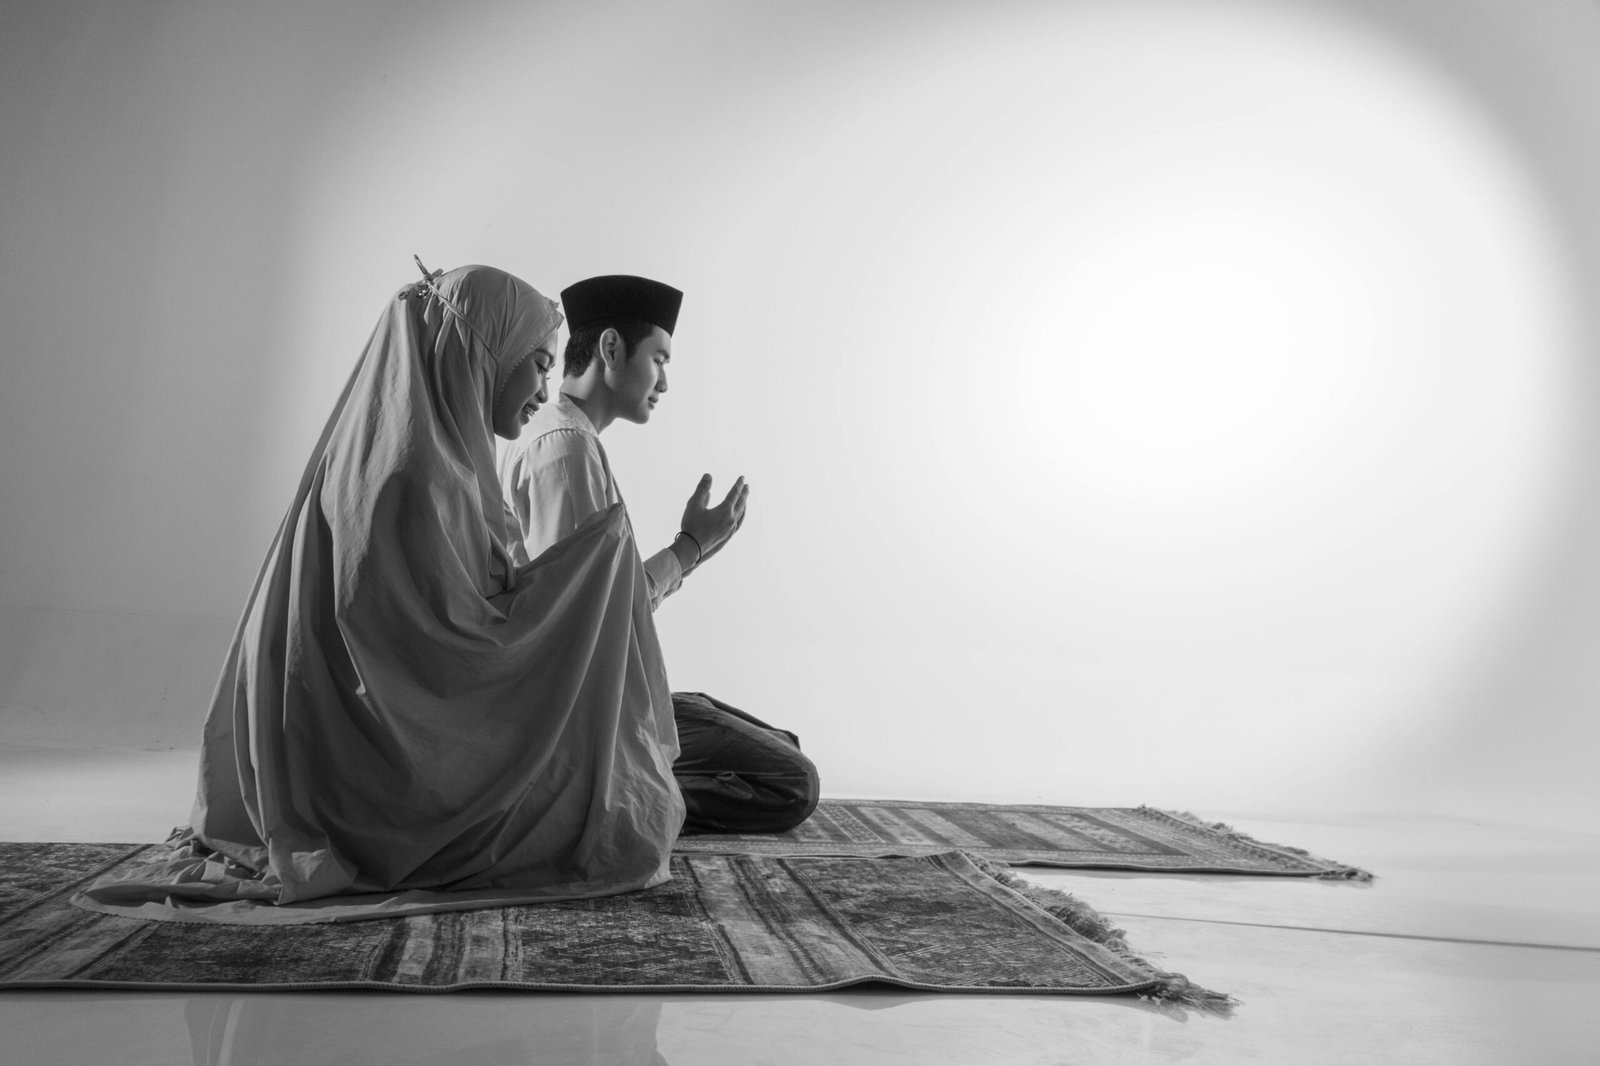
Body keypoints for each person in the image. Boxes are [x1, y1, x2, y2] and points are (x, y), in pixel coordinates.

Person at [75, 261, 685, 923]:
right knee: (618, 820)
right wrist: (606, 562)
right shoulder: (417, 479)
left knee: (626, 793)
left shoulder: (432, 460)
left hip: (391, 743)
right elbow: (450, 663)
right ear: (479, 356)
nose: (544, 382)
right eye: (535, 362)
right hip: (379, 772)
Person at [497, 274, 819, 835]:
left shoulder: (571, 439)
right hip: (583, 718)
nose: (665, 382)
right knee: (792, 783)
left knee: (782, 746)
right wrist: (689, 548)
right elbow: (577, 628)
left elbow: (603, 599)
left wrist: (691, 550)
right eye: (660, 359)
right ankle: (625, 798)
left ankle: (640, 775)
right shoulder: (563, 451)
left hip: (617, 688)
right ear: (612, 348)